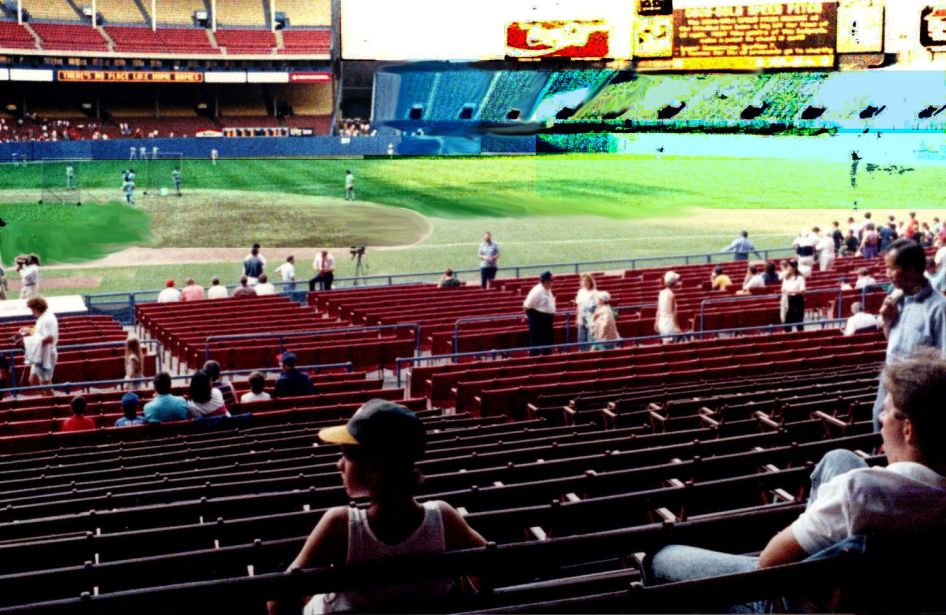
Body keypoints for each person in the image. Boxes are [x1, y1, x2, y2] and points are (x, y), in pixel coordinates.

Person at [645, 350, 946, 611]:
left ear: (908, 429)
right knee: (839, 457)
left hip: (791, 600)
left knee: (659, 558)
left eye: (887, 411)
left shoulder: (858, 492)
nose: (880, 418)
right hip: (899, 588)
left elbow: (768, 563)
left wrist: (807, 528)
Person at [268, 399, 487, 615]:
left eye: (346, 453)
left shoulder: (340, 524)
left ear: (374, 468)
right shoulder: (443, 517)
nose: (339, 464)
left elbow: (278, 606)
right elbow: (489, 570)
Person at [873, 239, 946, 430]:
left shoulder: (939, 308)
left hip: (913, 394)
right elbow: (894, 342)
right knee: (878, 427)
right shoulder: (896, 298)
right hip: (888, 382)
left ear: (911, 269)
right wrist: (887, 321)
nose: (887, 274)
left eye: (891, 268)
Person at [19, 296, 57, 396]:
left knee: (46, 384)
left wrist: (28, 342)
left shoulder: (47, 319)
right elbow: (41, 332)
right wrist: (30, 330)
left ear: (36, 308)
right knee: (33, 380)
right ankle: (46, 399)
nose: (31, 311)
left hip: (46, 355)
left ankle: (52, 403)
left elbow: (50, 338)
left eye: (31, 309)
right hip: (40, 354)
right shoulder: (43, 317)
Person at [523, 271, 556, 355]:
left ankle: (547, 357)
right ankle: (535, 358)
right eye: (552, 280)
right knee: (536, 340)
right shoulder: (537, 291)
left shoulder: (547, 289)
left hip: (546, 318)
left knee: (547, 340)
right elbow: (527, 306)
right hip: (537, 317)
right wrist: (529, 317)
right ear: (546, 281)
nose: (553, 282)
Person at [655, 271, 682, 342]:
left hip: (661, 323)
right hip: (669, 325)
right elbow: (673, 313)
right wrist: (677, 327)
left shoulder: (661, 293)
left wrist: (656, 323)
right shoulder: (671, 295)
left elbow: (658, 310)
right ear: (674, 283)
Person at [781, 260, 806, 332]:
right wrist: (786, 292)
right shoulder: (786, 277)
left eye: (790, 266)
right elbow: (783, 289)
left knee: (799, 322)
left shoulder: (800, 278)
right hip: (788, 300)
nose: (788, 268)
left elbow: (803, 291)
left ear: (794, 268)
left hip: (798, 301)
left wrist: (792, 292)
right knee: (787, 321)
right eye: (788, 266)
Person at [574, 273, 598, 345]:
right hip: (582, 318)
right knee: (581, 338)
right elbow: (579, 306)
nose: (585, 283)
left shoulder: (595, 292)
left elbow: (597, 307)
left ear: (590, 282)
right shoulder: (580, 291)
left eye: (587, 281)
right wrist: (577, 318)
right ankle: (583, 350)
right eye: (583, 281)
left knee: (591, 338)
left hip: (591, 319)